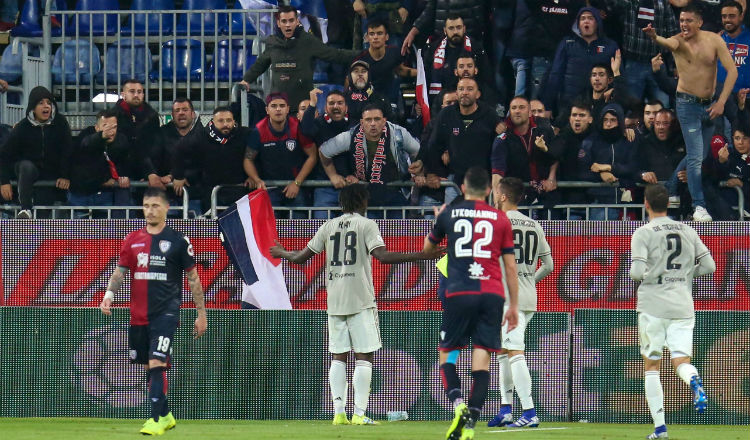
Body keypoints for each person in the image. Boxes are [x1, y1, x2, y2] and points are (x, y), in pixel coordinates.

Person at [269, 184, 440, 425]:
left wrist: (281, 252)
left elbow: (300, 258)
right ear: (362, 202)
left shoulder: (327, 226)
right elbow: (382, 256)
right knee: (363, 357)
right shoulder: (367, 225)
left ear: (341, 204)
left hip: (335, 299)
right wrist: (421, 255)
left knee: (338, 357)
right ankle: (359, 414)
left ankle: (339, 413)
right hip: (360, 299)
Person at [99, 186, 207, 436]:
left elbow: (193, 278)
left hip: (166, 313)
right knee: (149, 367)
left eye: (155, 205)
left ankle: (155, 418)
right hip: (138, 315)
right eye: (146, 206)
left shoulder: (179, 241)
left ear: (167, 208)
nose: (150, 211)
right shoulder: (132, 239)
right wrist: (109, 295)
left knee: (157, 361)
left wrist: (201, 314)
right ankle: (166, 415)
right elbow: (120, 271)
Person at [423, 166, 519, 440]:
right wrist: (513, 305)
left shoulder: (450, 214)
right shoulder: (501, 218)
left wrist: (438, 224)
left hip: (459, 291)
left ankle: (458, 404)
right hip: (491, 292)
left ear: (463, 189)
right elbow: (510, 267)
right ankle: (471, 424)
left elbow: (429, 249)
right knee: (483, 354)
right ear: (489, 191)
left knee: (447, 351)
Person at [629, 184, 715, 440]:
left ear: (646, 204)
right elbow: (709, 266)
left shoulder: (643, 232)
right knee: (681, 361)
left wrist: (652, 276)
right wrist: (685, 276)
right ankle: (694, 382)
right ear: (669, 203)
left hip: (653, 304)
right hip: (683, 304)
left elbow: (635, 273)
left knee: (652, 365)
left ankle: (660, 428)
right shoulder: (688, 230)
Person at [642, 3, 738, 222]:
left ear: (699, 22)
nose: (684, 25)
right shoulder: (677, 41)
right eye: (681, 21)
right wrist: (654, 36)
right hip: (687, 106)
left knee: (700, 155)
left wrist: (721, 102)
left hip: (711, 105)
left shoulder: (714, 40)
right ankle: (699, 207)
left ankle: (669, 189)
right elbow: (666, 42)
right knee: (695, 157)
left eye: (688, 21)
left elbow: (732, 71)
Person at [488, 177, 553, 428]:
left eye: (497, 192)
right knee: (504, 352)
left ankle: (529, 411)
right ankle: (506, 409)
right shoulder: (534, 225)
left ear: (503, 196)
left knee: (514, 351)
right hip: (527, 296)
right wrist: (529, 282)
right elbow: (549, 265)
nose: (494, 195)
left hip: (505, 298)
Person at [239, 5, 360, 113]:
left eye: (291, 20)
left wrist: (363, 54)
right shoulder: (272, 42)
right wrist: (246, 79)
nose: (287, 25)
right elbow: (260, 63)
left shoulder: (308, 41)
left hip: (303, 108)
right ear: (278, 23)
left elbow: (334, 54)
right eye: (284, 21)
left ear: (297, 21)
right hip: (279, 109)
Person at [319, 104, 422, 218]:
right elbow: (324, 151)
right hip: (365, 196)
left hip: (396, 193)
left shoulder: (398, 133)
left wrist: (419, 171)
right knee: (368, 234)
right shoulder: (351, 135)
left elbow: (419, 152)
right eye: (368, 120)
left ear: (384, 121)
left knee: (396, 235)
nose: (373, 123)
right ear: (362, 122)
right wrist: (333, 175)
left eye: (377, 119)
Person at [426, 77, 503, 204]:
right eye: (461, 89)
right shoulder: (446, 114)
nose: (465, 92)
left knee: (481, 219)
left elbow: (499, 147)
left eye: (470, 89)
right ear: (457, 93)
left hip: (482, 180)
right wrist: (432, 172)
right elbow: (434, 145)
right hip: (454, 179)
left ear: (478, 94)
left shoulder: (490, 115)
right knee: (453, 220)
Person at [0, 86, 72, 218]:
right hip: (27, 170)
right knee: (26, 166)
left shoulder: (61, 123)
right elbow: (4, 155)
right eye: (41, 103)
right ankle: (25, 210)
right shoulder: (22, 126)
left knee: (42, 217)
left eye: (49, 103)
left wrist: (65, 175)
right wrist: (4, 182)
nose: (46, 106)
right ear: (33, 107)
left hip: (49, 176)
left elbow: (67, 151)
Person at [244, 92, 317, 218]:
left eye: (282, 106)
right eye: (274, 106)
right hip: (270, 187)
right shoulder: (259, 131)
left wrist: (297, 183)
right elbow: (248, 159)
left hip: (296, 186)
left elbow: (312, 156)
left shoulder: (297, 127)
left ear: (288, 109)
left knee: (299, 226)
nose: (278, 109)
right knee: (269, 225)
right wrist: (256, 179)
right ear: (267, 110)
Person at [172, 106, 252, 213]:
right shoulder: (201, 136)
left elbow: (255, 156)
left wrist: (253, 176)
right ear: (213, 122)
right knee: (213, 227)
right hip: (211, 193)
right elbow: (179, 149)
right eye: (220, 121)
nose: (225, 124)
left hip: (238, 191)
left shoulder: (245, 134)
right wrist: (178, 176)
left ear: (234, 121)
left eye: (229, 120)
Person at [543, 7, 619, 116]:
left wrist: (613, 91)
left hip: (600, 106)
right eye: (583, 18)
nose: (586, 21)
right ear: (578, 24)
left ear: (597, 22)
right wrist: (548, 106)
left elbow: (619, 75)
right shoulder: (567, 43)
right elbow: (555, 74)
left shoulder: (610, 46)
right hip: (569, 106)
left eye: (590, 18)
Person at [491, 96, 558, 214]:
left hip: (545, 194)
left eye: (521, 107)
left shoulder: (544, 128)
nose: (517, 111)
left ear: (530, 112)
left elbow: (556, 155)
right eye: (514, 108)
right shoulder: (503, 138)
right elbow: (497, 175)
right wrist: (498, 206)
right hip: (517, 196)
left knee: (550, 231)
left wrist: (551, 178)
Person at [577, 103, 639, 220]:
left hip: (626, 203)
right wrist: (601, 175)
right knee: (599, 238)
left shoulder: (629, 139)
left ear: (620, 121)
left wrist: (609, 168)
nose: (609, 124)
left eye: (613, 120)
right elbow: (582, 171)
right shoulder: (590, 141)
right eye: (605, 120)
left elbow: (633, 167)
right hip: (599, 203)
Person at [300, 89, 352, 219]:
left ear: (346, 107)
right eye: (331, 103)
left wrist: (357, 176)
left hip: (350, 186)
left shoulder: (355, 125)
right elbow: (305, 130)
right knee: (322, 231)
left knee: (352, 231)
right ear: (325, 107)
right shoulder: (319, 123)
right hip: (324, 187)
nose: (336, 106)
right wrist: (312, 105)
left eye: (340, 103)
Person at [110, 79, 161, 190]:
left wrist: (150, 172)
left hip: (147, 174)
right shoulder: (113, 116)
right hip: (121, 176)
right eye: (132, 91)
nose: (136, 95)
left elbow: (155, 147)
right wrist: (120, 174)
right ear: (123, 95)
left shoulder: (152, 116)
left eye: (139, 92)